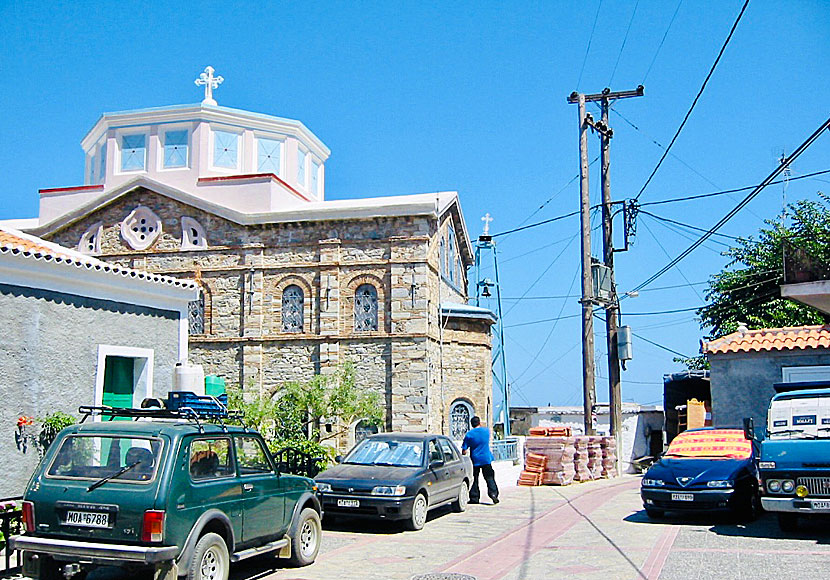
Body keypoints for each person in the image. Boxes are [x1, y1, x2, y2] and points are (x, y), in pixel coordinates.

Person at [461, 416, 499, 504]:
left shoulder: (469, 434)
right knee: (489, 477)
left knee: (474, 479)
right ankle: (493, 494)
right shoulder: (486, 431)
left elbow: (464, 450)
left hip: (475, 460)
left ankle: (474, 498)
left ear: (471, 424)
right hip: (486, 458)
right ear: (479, 422)